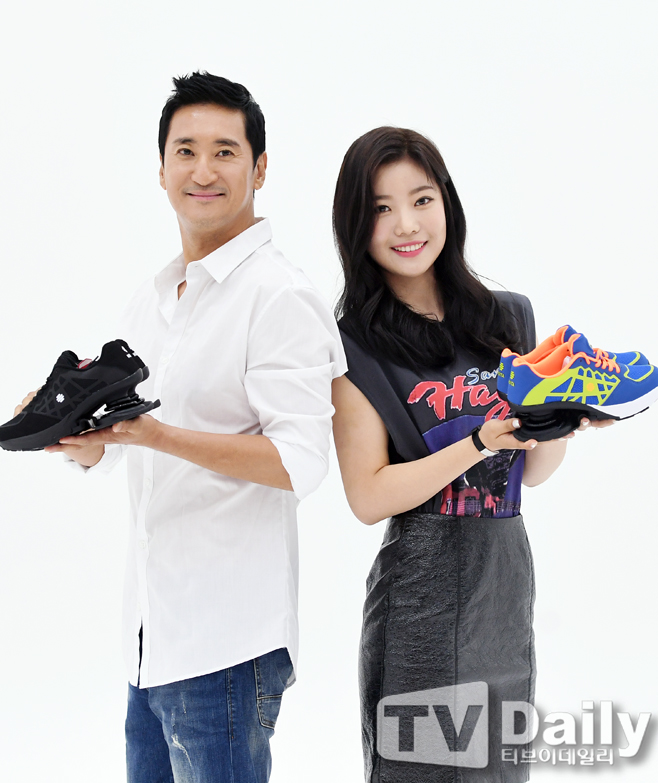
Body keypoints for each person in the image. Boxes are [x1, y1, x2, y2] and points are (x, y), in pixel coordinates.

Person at [17, 72, 346, 783]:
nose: (203, 171)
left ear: (260, 168)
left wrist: (159, 436)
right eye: (185, 151)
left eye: (225, 151)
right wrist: (78, 437)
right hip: (152, 637)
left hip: (227, 644)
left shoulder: (279, 296)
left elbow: (301, 462)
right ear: (160, 168)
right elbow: (117, 450)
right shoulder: (156, 295)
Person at [330, 127, 610, 783]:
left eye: (421, 199)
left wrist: (559, 416)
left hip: (506, 576)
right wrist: (478, 441)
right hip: (422, 586)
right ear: (356, 226)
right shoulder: (352, 347)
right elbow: (368, 496)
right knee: (420, 767)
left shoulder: (507, 318)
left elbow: (531, 473)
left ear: (447, 204)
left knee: (498, 769)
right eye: (381, 208)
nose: (407, 224)